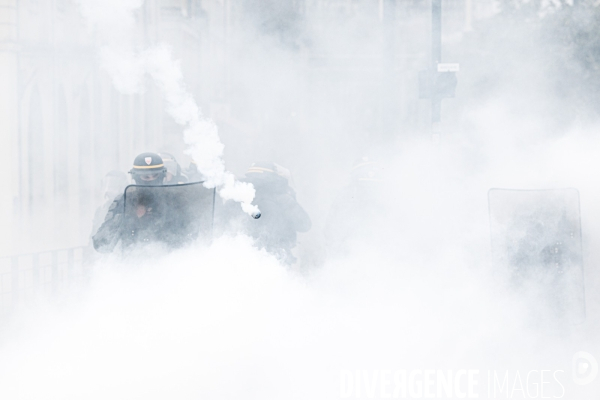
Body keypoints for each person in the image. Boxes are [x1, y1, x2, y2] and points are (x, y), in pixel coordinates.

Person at [92, 152, 167, 253]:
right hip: (133, 262)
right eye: (146, 177)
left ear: (162, 175)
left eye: (155, 176)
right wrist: (128, 216)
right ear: (135, 177)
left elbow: (190, 236)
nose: (151, 180)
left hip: (170, 261)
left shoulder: (174, 199)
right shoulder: (125, 201)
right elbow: (101, 243)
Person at [240, 162, 311, 264]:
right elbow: (305, 225)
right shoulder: (281, 199)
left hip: (243, 257)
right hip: (276, 260)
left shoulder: (240, 196)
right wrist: (289, 202)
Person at [90, 170, 129, 239]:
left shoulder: (129, 208)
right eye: (108, 185)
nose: (109, 190)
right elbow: (93, 235)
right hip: (102, 247)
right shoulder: (101, 210)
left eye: (113, 186)